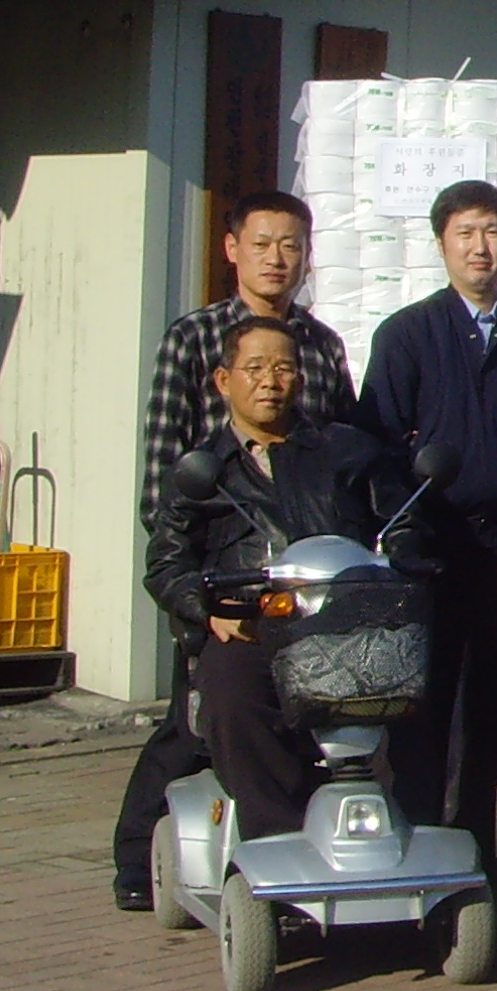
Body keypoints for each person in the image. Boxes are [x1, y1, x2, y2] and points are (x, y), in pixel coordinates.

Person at [113, 188, 355, 911]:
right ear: (232, 249)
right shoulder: (195, 339)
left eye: (291, 246)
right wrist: (195, 586)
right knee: (199, 718)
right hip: (220, 563)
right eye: (262, 244)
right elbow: (165, 472)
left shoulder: (320, 345)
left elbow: (345, 459)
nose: (277, 259)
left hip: (308, 578)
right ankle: (140, 857)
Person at [356, 179, 497, 844]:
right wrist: (406, 535)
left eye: (493, 232)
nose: (481, 248)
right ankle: (416, 841)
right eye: (466, 233)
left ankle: (479, 850)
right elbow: (379, 448)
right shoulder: (407, 336)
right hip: (434, 554)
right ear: (441, 243)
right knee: (422, 710)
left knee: (493, 707)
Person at [144, 318, 417, 846]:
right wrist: (207, 611)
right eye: (255, 368)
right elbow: (166, 564)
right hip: (251, 627)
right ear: (224, 380)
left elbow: (403, 523)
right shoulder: (204, 469)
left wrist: (400, 565)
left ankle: (396, 832)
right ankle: (275, 838)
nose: (270, 380)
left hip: (346, 627)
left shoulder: (348, 451)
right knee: (231, 696)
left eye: (283, 368)